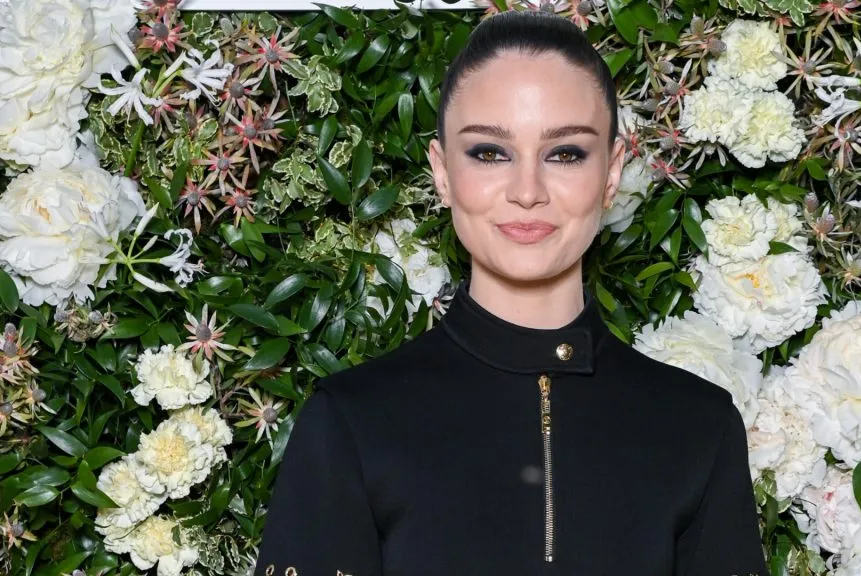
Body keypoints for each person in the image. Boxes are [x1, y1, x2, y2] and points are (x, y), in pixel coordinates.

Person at [253, 10, 768, 576]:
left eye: (566, 153)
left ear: (613, 173)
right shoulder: (349, 422)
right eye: (490, 153)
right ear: (443, 172)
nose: (528, 191)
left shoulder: (698, 426)